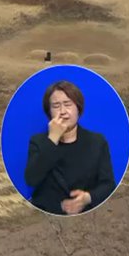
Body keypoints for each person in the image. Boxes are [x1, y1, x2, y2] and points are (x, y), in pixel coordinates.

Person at [24, 80, 116, 215]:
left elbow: (108, 184)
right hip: (44, 214)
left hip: (85, 215)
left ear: (78, 108)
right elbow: (31, 179)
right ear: (49, 112)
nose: (63, 112)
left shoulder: (97, 142)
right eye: (56, 106)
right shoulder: (38, 141)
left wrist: (88, 198)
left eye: (68, 104)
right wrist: (52, 139)